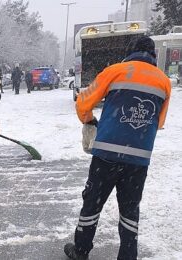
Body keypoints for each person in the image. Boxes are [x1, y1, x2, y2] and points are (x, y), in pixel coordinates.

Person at [64, 36, 171, 260]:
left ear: (131, 51)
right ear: (153, 55)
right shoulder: (164, 81)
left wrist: (89, 120)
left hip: (107, 155)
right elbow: (159, 122)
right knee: (130, 211)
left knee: (92, 204)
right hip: (139, 160)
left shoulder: (116, 70)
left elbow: (84, 102)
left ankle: (81, 251)